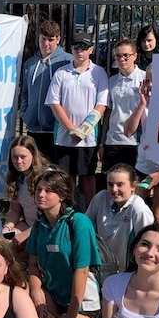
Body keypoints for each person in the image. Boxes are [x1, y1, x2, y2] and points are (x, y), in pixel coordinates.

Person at [27, 168, 101, 318]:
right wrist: (36, 292)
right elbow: (32, 266)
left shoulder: (78, 222)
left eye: (48, 190)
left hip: (80, 305)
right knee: (21, 290)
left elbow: (82, 271)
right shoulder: (39, 224)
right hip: (53, 297)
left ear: (63, 195)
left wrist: (70, 315)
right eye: (39, 189)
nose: (41, 194)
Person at [46, 31, 109, 204]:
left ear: (91, 50)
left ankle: (89, 214)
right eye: (76, 47)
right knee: (66, 177)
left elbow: (101, 105)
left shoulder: (99, 72)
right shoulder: (61, 73)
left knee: (88, 176)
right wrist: (71, 129)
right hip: (64, 137)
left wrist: (83, 130)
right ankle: (69, 210)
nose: (80, 51)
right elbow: (54, 103)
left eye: (84, 47)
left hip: (88, 138)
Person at [84, 163, 154, 271]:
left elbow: (148, 243)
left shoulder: (139, 209)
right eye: (110, 184)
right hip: (100, 267)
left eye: (120, 184)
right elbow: (85, 225)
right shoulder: (101, 198)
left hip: (127, 271)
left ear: (133, 186)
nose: (114, 189)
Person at [19, 19, 72, 161]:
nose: (46, 44)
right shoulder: (30, 63)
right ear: (38, 38)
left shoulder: (67, 61)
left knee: (53, 172)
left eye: (51, 39)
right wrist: (26, 114)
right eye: (43, 39)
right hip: (33, 128)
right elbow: (25, 92)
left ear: (58, 40)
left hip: (55, 129)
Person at [124, 64, 159, 223]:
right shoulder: (144, 102)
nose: (152, 84)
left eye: (157, 80)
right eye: (148, 80)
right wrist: (142, 104)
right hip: (144, 164)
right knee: (134, 204)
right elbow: (128, 131)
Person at [100, 38, 145, 172]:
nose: (122, 59)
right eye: (118, 56)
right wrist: (102, 142)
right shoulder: (112, 81)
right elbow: (108, 113)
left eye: (126, 55)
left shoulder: (144, 78)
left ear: (135, 56)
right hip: (113, 141)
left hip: (134, 142)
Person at [2, 135, 50, 253]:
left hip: (46, 226)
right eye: (15, 157)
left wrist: (27, 234)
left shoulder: (47, 176)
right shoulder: (17, 177)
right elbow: (15, 209)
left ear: (33, 156)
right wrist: (7, 228)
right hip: (28, 223)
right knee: (2, 244)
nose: (18, 161)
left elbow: (51, 215)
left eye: (23, 157)